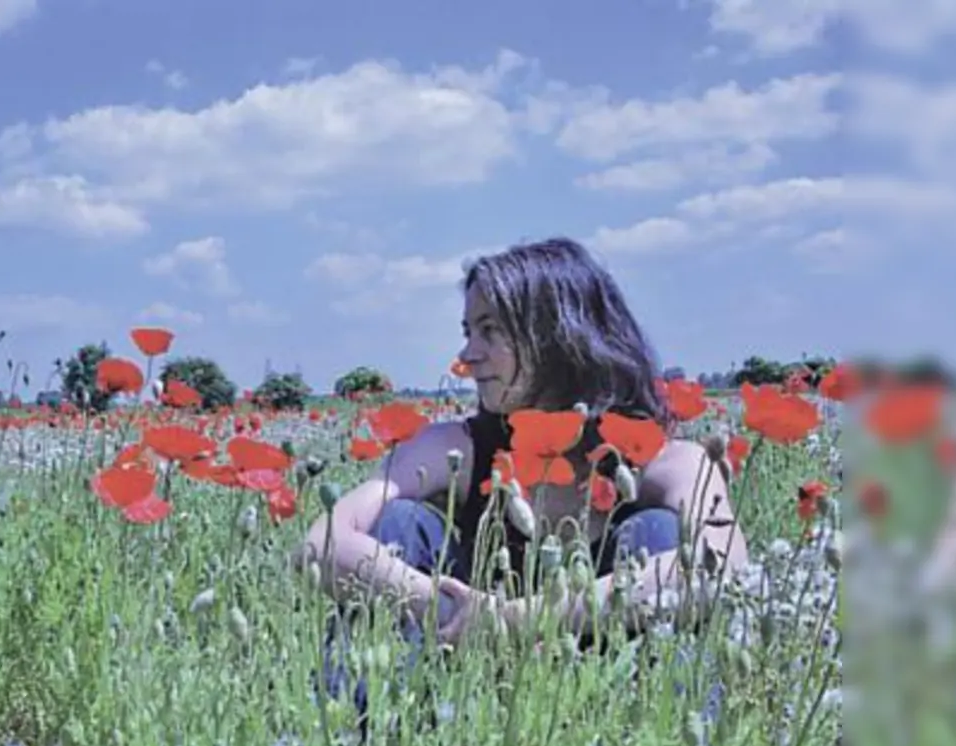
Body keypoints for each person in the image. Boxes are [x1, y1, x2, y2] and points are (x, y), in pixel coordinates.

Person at [293, 237, 750, 713]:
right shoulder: (457, 446)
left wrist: (517, 619)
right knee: (398, 523)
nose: (468, 354)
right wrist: (445, 609)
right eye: (468, 330)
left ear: (557, 335)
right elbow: (318, 544)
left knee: (658, 530)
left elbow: (727, 566)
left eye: (489, 331)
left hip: (609, 698)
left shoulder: (664, 460)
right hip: (469, 682)